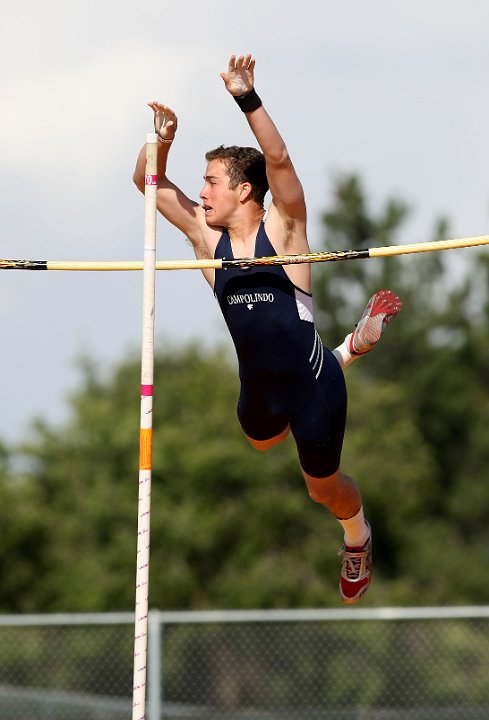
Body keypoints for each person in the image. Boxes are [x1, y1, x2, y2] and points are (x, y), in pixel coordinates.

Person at [133, 54, 402, 604]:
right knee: (261, 442)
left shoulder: (286, 228)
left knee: (322, 490)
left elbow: (277, 158)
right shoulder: (207, 243)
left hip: (312, 389)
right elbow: (147, 181)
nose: (201, 193)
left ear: (245, 192)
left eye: (211, 183)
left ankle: (358, 535)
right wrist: (162, 140)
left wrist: (245, 96)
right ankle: (346, 350)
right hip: (259, 385)